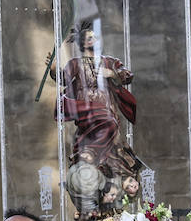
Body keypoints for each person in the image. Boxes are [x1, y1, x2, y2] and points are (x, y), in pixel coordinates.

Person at [56, 21, 143, 179]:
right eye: (89, 38)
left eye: (95, 37)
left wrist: (111, 73)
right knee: (92, 135)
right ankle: (90, 162)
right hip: (85, 108)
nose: (94, 40)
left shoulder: (109, 61)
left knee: (111, 132)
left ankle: (107, 168)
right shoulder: (75, 63)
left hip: (106, 105)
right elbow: (63, 79)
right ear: (82, 43)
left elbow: (127, 75)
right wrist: (54, 69)